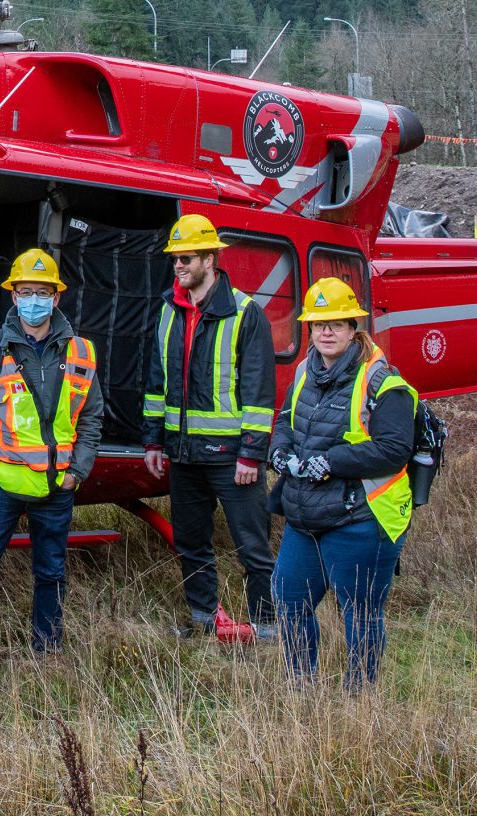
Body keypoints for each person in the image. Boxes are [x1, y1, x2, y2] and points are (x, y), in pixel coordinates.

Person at [0, 249, 102, 656]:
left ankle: (46, 655)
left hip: (56, 487)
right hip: (2, 485)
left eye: (42, 292)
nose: (34, 300)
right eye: (26, 291)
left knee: (51, 574)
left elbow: (92, 418)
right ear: (13, 296)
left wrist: (76, 472)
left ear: (56, 297)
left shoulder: (81, 352)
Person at [268, 276, 420, 689]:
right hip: (305, 517)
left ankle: (360, 699)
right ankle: (303, 688)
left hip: (361, 520)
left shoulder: (382, 383)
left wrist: (328, 462)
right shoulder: (303, 371)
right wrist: (279, 451)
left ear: (354, 327)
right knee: (289, 600)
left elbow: (393, 450)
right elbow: (285, 421)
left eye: (336, 323)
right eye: (319, 324)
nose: (327, 331)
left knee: (360, 615)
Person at [142, 213, 277, 637]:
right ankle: (203, 620)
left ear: (210, 260)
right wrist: (153, 441)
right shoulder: (168, 310)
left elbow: (259, 388)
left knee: (253, 547)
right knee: (192, 544)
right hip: (183, 455)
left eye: (187, 258)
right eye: (175, 259)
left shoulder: (245, 312)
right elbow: (155, 381)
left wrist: (252, 453)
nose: (179, 265)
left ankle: (269, 625)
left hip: (231, 458)